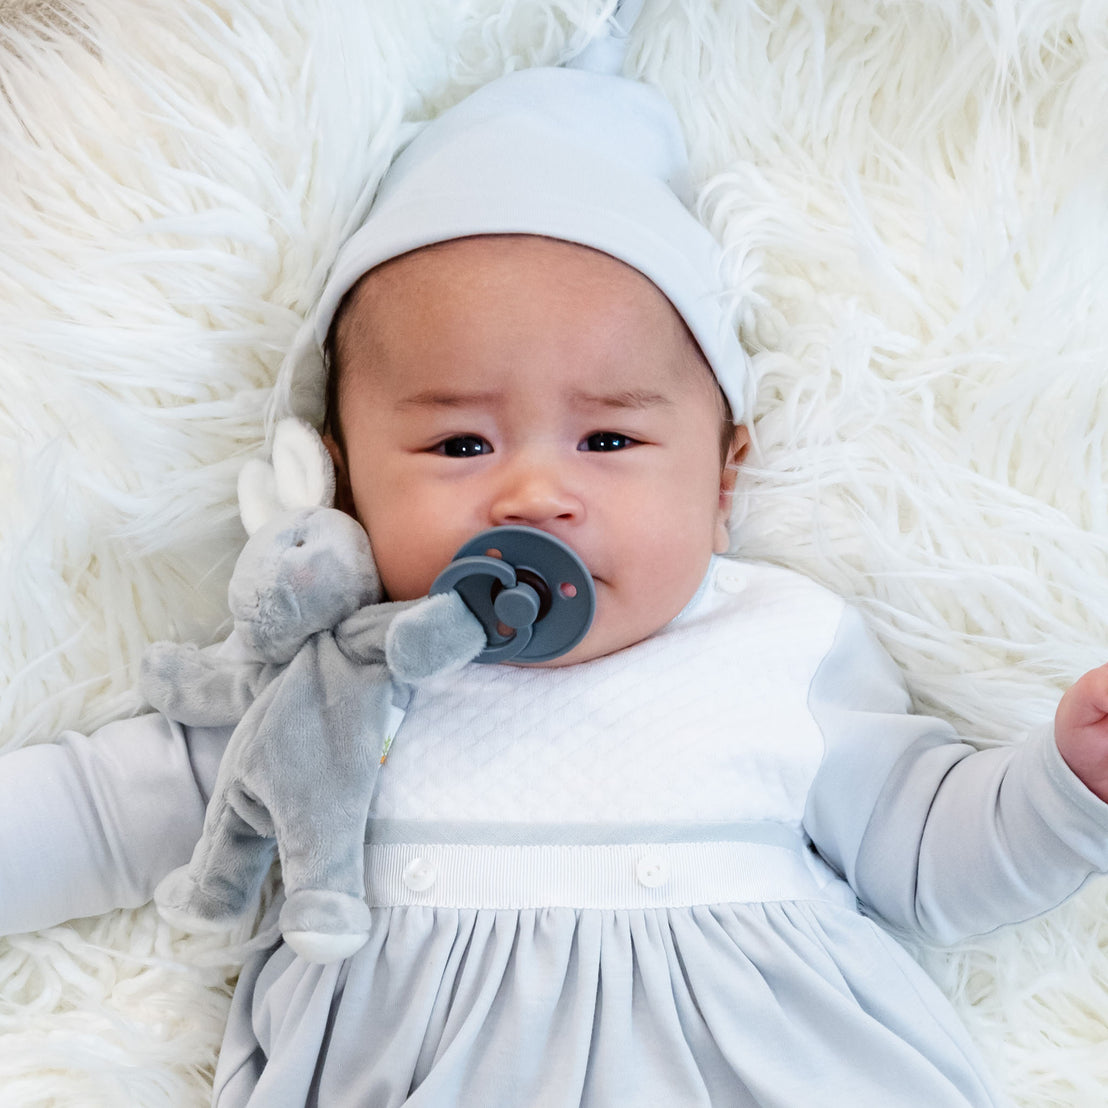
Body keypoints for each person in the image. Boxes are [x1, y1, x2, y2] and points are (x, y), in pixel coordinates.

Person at [4, 5, 1108, 1106]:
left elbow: (926, 848)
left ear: (722, 481)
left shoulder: (776, 644)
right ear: (344, 478)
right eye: (460, 442)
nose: (533, 491)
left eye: (609, 440)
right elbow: (107, 807)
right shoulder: (328, 681)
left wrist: (1063, 785)